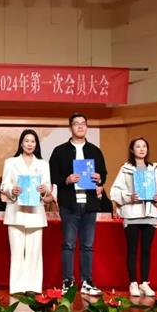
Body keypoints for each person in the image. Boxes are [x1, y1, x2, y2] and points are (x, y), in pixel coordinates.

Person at [49, 113, 107, 296]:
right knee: (68, 244)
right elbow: (52, 174)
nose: (80, 126)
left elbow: (103, 174)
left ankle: (87, 281)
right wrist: (66, 179)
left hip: (89, 204)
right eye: (76, 124)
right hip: (69, 203)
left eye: (83, 123)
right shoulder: (60, 151)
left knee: (88, 245)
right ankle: (68, 281)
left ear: (87, 127)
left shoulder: (95, 151)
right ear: (70, 128)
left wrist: (99, 178)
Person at [110, 137, 157, 297]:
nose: (142, 149)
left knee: (146, 251)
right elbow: (115, 191)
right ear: (132, 150)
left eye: (144, 146)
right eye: (138, 146)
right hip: (132, 215)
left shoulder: (154, 170)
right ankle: (133, 283)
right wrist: (129, 197)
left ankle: (144, 282)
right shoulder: (126, 169)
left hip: (149, 214)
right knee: (132, 250)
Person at [0, 129, 51, 294]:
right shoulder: (10, 162)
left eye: (33, 141)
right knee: (16, 252)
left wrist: (44, 189)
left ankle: (33, 287)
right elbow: (4, 185)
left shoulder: (43, 164)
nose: (29, 144)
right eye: (26, 141)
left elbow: (48, 186)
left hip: (36, 213)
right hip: (16, 212)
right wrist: (12, 189)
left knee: (34, 252)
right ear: (21, 143)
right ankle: (17, 288)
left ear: (36, 145)